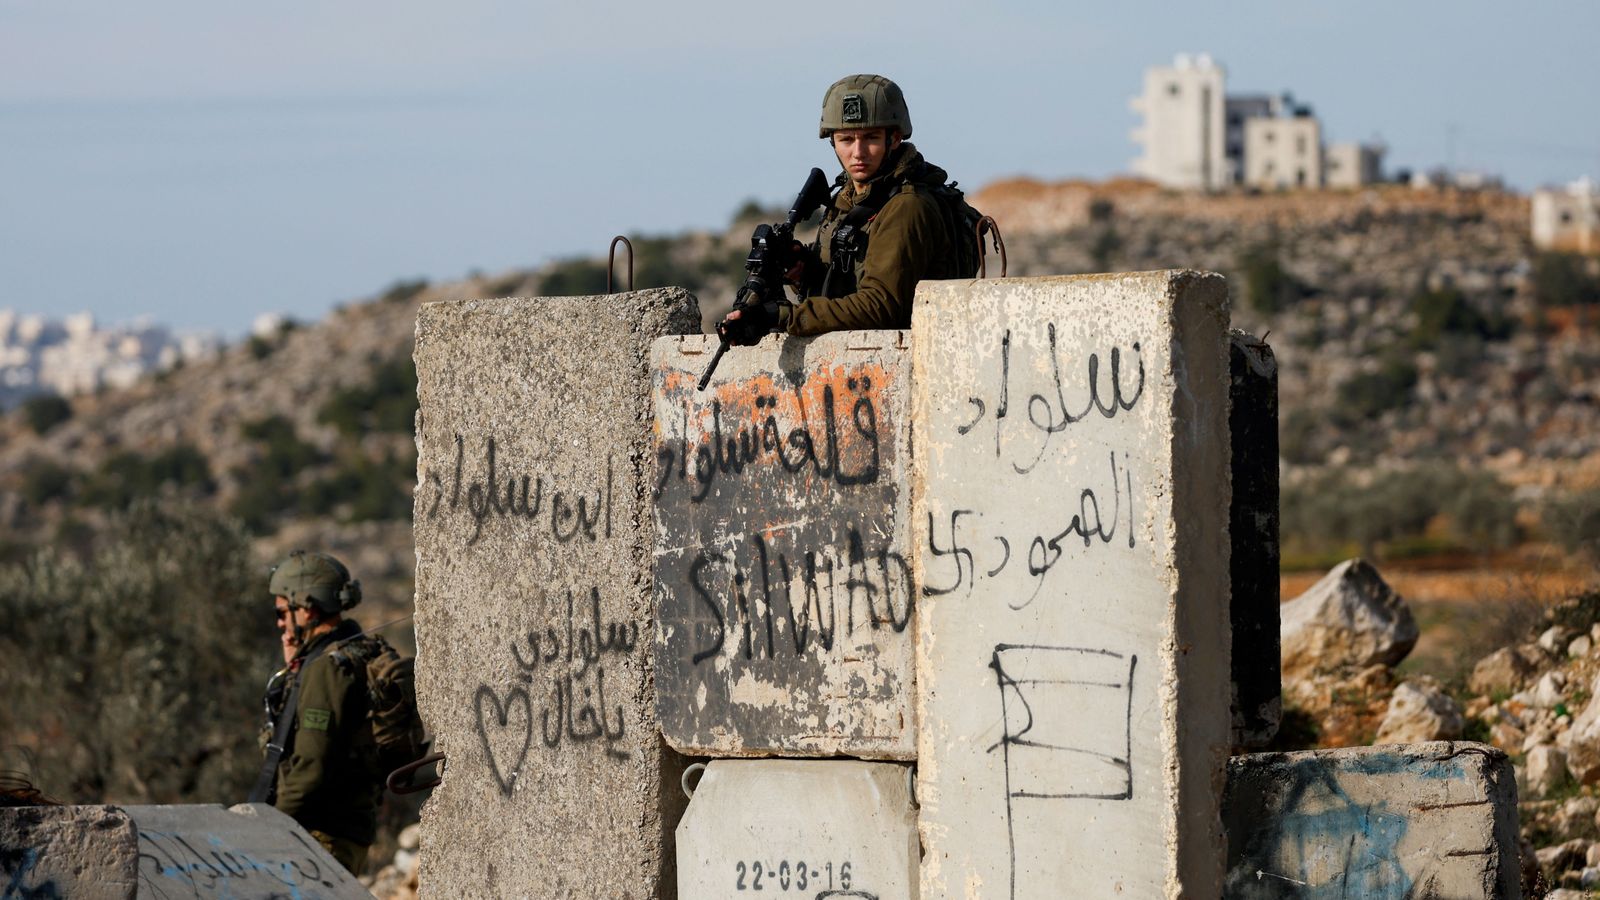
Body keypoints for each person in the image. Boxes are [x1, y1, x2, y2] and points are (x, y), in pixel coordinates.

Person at [719, 73, 964, 342]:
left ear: (893, 139)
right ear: (833, 142)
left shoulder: (906, 207)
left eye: (870, 138)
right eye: (846, 139)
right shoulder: (849, 199)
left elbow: (881, 306)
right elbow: (847, 280)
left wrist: (782, 316)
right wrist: (805, 270)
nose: (858, 152)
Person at [254, 550, 382, 874]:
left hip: (321, 836)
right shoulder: (348, 651)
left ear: (307, 609)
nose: (279, 622)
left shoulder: (326, 669)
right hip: (339, 833)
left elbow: (310, 767)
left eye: (284, 611)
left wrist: (266, 828)